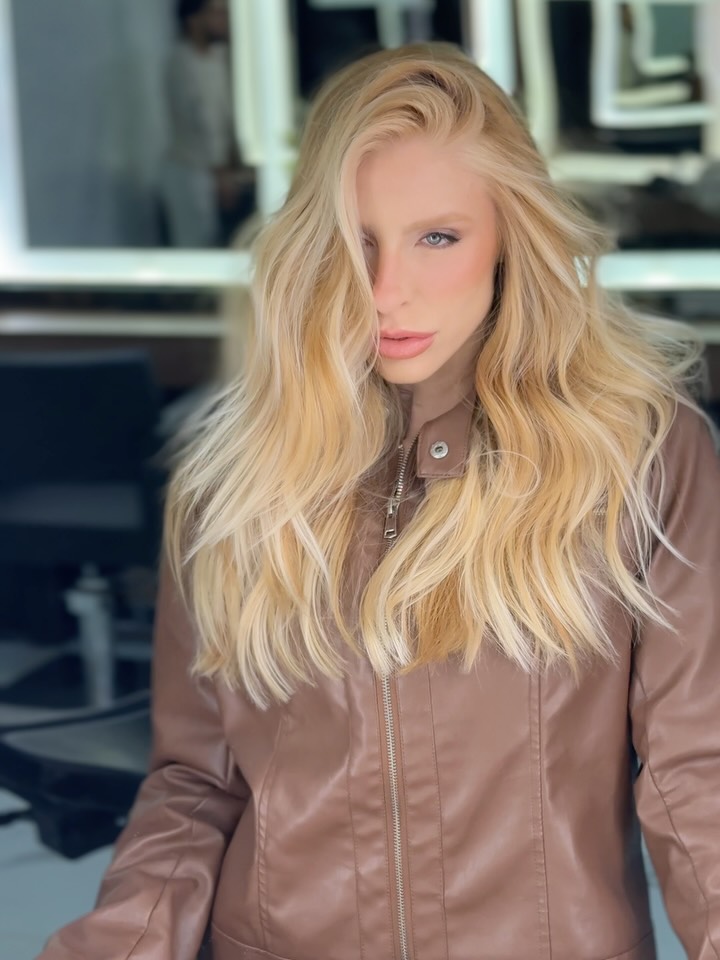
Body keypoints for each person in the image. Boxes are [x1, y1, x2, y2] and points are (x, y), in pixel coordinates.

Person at [38, 43, 720, 960]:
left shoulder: (637, 455)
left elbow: (696, 769)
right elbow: (197, 786)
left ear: (510, 238)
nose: (386, 291)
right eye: (357, 241)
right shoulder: (233, 480)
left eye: (438, 237)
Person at [161, 0, 252, 247]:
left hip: (222, 170)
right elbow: (202, 121)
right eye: (215, 13)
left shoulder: (219, 56)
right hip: (193, 171)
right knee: (197, 244)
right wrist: (221, 175)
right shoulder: (182, 62)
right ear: (193, 20)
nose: (223, 20)